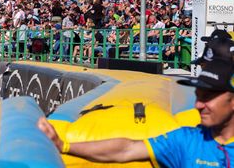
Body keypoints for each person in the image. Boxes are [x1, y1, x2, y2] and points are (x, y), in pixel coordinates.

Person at [38, 34, 234, 167]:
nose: (199, 104)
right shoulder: (187, 140)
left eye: (209, 97)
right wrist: (64, 146)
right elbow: (127, 148)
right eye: (198, 96)